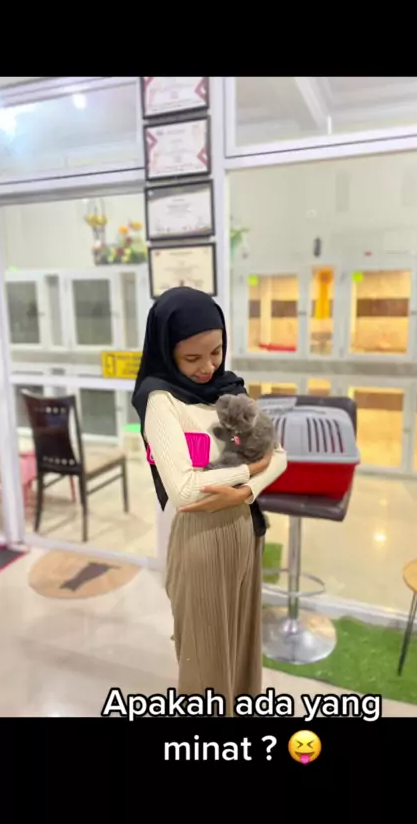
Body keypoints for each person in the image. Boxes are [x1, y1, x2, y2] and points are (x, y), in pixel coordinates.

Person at [132, 287, 287, 715]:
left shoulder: (230, 388)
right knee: (204, 664)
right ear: (167, 351)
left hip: (245, 530)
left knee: (241, 646)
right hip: (202, 539)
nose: (208, 367)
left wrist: (245, 491)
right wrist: (250, 472)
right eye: (192, 358)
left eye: (216, 352)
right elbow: (184, 489)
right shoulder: (161, 401)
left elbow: (279, 456)